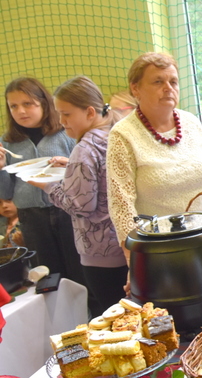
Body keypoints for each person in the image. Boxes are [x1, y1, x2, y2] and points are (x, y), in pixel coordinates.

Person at [107, 52, 202, 262]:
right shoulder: (122, 135)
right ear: (136, 88)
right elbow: (121, 203)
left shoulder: (191, 123)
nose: (168, 88)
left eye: (173, 81)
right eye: (157, 81)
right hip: (162, 253)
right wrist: (133, 260)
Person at [27, 76, 127, 316]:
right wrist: (73, 166)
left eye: (66, 114)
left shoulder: (84, 149)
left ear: (90, 112)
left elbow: (81, 205)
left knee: (113, 318)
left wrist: (48, 186)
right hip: (126, 247)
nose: (61, 122)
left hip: (101, 253)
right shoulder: (116, 133)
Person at [0, 77, 85, 285]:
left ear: (44, 104)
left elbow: (84, 176)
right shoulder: (8, 141)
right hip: (32, 219)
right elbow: (5, 193)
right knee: (48, 278)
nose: (21, 111)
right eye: (14, 106)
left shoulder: (66, 134)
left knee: (79, 272)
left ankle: (89, 315)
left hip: (67, 212)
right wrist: (1, 168)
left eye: (27, 104)